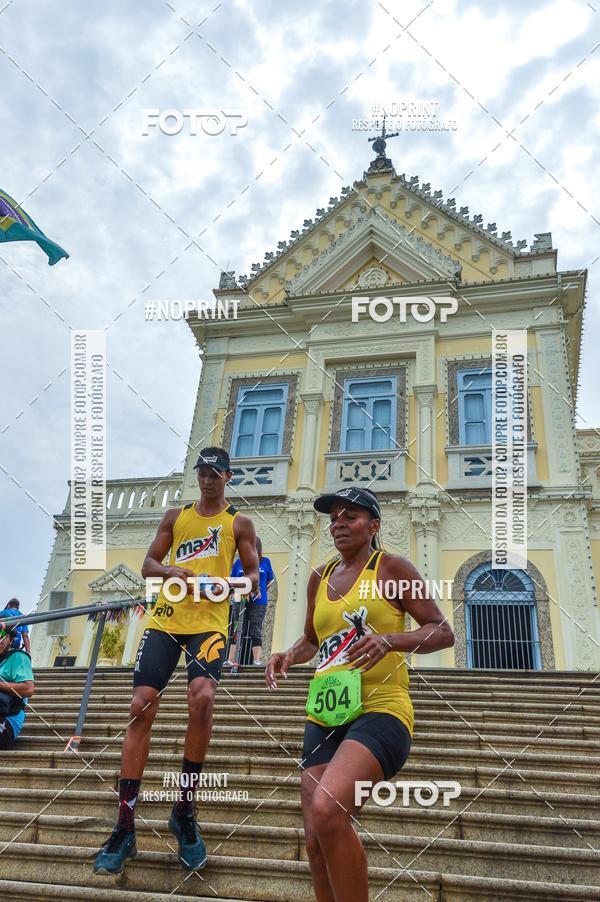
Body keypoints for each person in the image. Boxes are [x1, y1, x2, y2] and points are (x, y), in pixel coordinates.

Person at [266, 486, 455, 902]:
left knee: (327, 809)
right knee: (315, 836)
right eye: (333, 517)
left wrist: (391, 640)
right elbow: (313, 640)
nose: (338, 523)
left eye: (349, 516)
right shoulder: (320, 576)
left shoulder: (391, 568)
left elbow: (442, 632)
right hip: (326, 715)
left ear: (373, 526)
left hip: (381, 710)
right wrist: (288, 655)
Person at [93, 447, 259, 876]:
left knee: (202, 698)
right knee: (140, 705)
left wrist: (218, 584)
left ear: (228, 477)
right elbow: (148, 563)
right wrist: (170, 573)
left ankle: (184, 812)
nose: (207, 480)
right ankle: (124, 827)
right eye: (202, 472)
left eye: (215, 473)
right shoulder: (175, 517)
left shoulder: (238, 522)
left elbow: (253, 580)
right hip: (166, 620)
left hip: (209, 623)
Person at [225, 537, 275, 667]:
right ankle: (231, 659)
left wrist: (261, 590)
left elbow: (270, 580)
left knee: (256, 628)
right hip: (239, 599)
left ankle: (256, 659)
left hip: (258, 601)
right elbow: (233, 580)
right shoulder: (238, 563)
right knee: (236, 628)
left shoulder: (265, 562)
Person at [0, 620, 34, 750]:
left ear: (11, 639)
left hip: (6, 724)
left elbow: (28, 688)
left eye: (4, 636)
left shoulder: (18, 657)